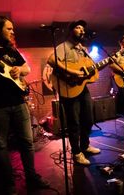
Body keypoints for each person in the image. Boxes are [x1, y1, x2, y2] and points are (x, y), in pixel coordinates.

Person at [0, 16, 49, 195]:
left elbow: (27, 68)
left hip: (17, 102)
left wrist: (19, 70)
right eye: (9, 28)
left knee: (27, 142)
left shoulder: (11, 50)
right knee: (1, 145)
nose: (13, 32)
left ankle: (32, 177)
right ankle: (9, 184)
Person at [47, 20, 101, 166]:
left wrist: (92, 71)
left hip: (82, 88)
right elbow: (51, 60)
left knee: (89, 119)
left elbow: (87, 69)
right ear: (71, 31)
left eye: (83, 28)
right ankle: (77, 153)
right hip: (68, 89)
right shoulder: (64, 46)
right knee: (74, 123)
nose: (82, 30)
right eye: (78, 27)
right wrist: (72, 71)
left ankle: (84, 146)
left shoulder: (83, 49)